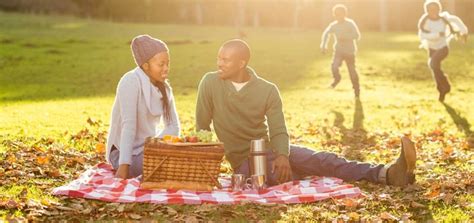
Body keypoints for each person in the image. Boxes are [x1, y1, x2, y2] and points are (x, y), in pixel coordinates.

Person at [196, 39, 417, 187]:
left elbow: (278, 129)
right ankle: (300, 171)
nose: (219, 64)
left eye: (225, 60)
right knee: (280, 176)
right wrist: (205, 164)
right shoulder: (210, 83)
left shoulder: (267, 90)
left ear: (241, 63)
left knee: (324, 159)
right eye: (219, 58)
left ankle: (387, 173)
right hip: (244, 160)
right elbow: (202, 128)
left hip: (272, 148)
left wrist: (282, 155)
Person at [106, 35, 180, 179]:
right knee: (171, 165)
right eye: (161, 64)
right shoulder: (130, 82)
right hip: (123, 155)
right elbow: (129, 126)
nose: (166, 69)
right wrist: (124, 167)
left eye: (168, 63)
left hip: (148, 149)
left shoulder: (165, 88)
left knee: (182, 158)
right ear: (145, 65)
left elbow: (173, 126)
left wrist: (157, 145)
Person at [418, 0, 468, 102]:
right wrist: (437, 35)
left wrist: (463, 32)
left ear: (439, 9)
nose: (433, 12)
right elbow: (422, 35)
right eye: (430, 10)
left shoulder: (444, 19)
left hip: (443, 48)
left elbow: (456, 20)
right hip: (431, 48)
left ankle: (446, 85)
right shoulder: (424, 21)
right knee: (435, 68)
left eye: (435, 10)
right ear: (427, 11)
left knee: (432, 63)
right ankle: (442, 90)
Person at [320, 4, 361, 97]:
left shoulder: (350, 23)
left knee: (352, 72)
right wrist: (323, 45)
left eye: (340, 14)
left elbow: (357, 35)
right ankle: (337, 79)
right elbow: (326, 33)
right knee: (334, 66)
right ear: (334, 15)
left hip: (350, 52)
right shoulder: (334, 25)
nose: (339, 16)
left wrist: (345, 37)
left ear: (345, 14)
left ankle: (357, 90)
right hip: (338, 51)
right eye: (336, 14)